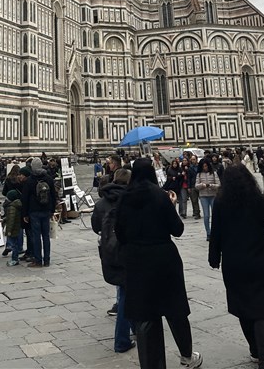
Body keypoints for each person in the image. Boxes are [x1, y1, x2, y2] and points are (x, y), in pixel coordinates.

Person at [115, 157, 203, 369]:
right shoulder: (160, 196)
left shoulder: (125, 198)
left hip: (137, 261)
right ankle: (187, 356)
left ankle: (151, 365)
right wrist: (171, 205)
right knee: (175, 310)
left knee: (145, 315)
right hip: (164, 260)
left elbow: (119, 233)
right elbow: (177, 230)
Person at [208, 165, 264, 369]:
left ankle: (254, 350)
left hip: (234, 264)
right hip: (261, 261)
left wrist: (214, 257)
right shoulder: (256, 199)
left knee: (243, 307)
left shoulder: (220, 202)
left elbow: (215, 232)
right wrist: (263, 199)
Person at [91, 168, 135, 353]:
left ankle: (134, 328)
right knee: (127, 293)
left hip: (109, 251)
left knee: (125, 290)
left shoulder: (102, 202)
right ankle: (122, 340)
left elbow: (95, 226)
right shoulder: (132, 199)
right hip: (129, 251)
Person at [22, 157, 57, 268]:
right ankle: (47, 260)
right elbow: (53, 195)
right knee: (46, 236)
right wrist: (52, 210)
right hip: (46, 210)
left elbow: (25, 198)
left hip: (34, 211)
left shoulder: (29, 180)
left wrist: (25, 214)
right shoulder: (48, 178)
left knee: (36, 236)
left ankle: (38, 260)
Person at [195, 160, 220, 240]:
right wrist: (202, 185)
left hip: (213, 195)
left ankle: (215, 231)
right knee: (206, 215)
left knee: (215, 215)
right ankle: (208, 233)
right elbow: (196, 186)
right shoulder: (199, 174)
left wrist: (211, 185)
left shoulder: (214, 173)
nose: (204, 168)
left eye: (206, 166)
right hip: (203, 196)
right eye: (203, 166)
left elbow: (218, 184)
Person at [4, 189, 24, 265]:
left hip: (13, 229)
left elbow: (11, 220)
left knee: (14, 245)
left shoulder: (12, 207)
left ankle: (14, 259)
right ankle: (15, 258)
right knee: (16, 244)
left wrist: (8, 231)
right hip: (17, 227)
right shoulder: (17, 205)